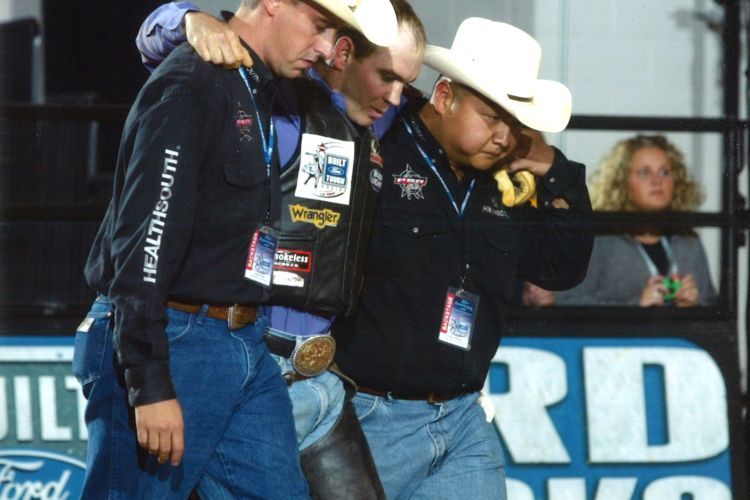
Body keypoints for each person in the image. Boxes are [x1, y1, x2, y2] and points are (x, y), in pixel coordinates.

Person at [71, 0, 397, 498]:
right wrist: (150, 380)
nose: (329, 49)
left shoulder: (261, 87)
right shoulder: (194, 83)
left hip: (241, 342)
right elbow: (145, 242)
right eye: (321, 25)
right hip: (172, 340)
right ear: (272, 3)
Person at [332, 18, 593, 499]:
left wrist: (558, 172)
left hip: (464, 415)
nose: (503, 136)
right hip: (371, 412)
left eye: (514, 125)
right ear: (445, 97)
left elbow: (560, 269)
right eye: (492, 117)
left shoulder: (508, 182)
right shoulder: (378, 145)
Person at [552, 134, 717, 307]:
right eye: (644, 172)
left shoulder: (689, 242)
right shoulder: (599, 241)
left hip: (678, 335)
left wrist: (696, 304)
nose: (657, 180)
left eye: (665, 172)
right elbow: (567, 302)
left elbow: (715, 309)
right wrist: (635, 307)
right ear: (621, 182)